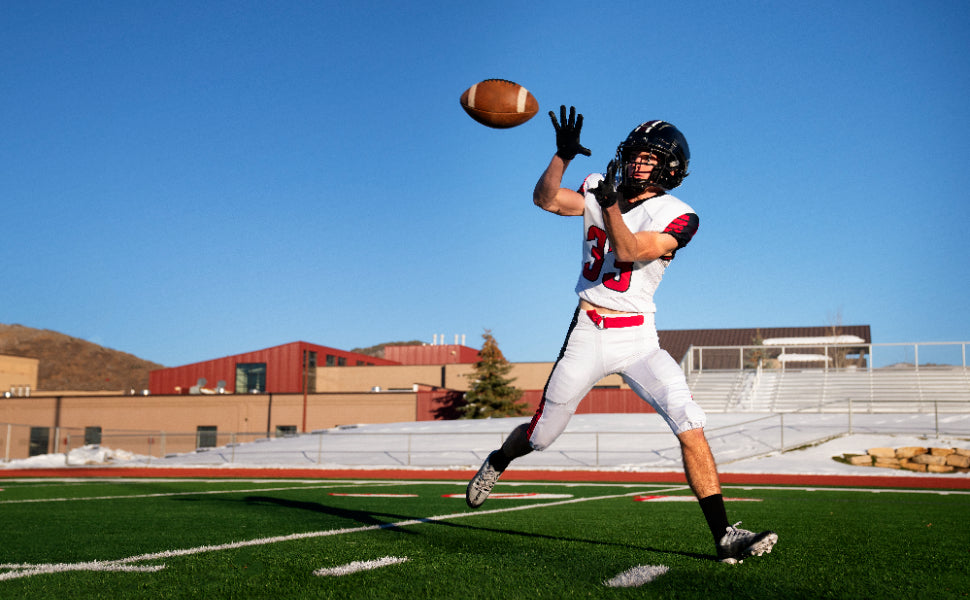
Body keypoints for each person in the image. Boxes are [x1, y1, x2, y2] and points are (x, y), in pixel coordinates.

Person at [465, 105, 777, 564]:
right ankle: (499, 459)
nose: (636, 163)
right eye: (633, 154)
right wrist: (561, 158)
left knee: (689, 421)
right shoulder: (599, 188)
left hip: (639, 339)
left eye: (648, 158)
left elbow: (630, 249)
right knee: (540, 437)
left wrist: (608, 202)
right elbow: (546, 200)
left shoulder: (679, 215)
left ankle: (724, 535)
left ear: (670, 169)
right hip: (589, 330)